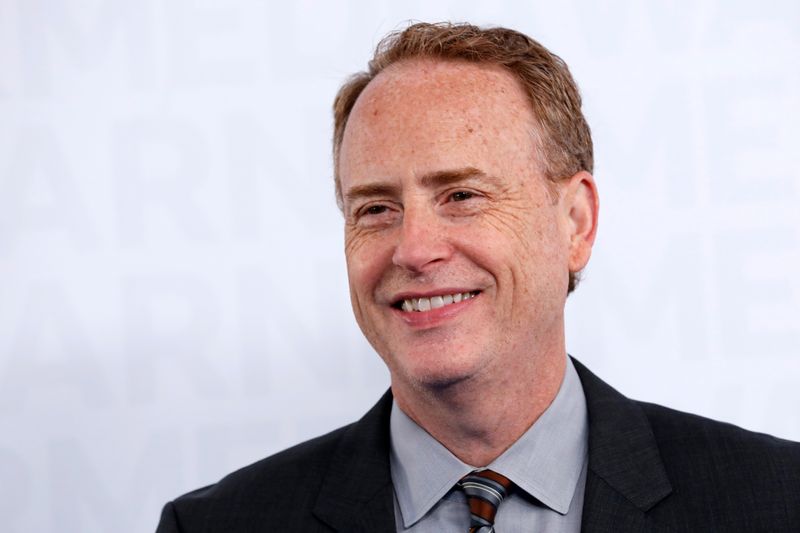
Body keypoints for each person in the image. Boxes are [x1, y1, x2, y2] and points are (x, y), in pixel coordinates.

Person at [156, 22, 800, 532]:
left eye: (461, 195)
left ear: (575, 223)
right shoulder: (216, 524)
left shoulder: (776, 502)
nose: (414, 247)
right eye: (376, 209)